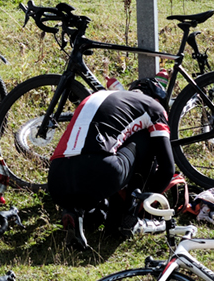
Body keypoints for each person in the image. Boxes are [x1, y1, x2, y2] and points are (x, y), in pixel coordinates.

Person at [45, 80, 190, 248]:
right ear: (158, 100)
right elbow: (167, 169)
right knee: (149, 138)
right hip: (101, 169)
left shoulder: (97, 96)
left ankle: (78, 211)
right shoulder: (153, 107)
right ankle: (128, 219)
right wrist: (145, 204)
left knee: (102, 151)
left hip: (56, 179)